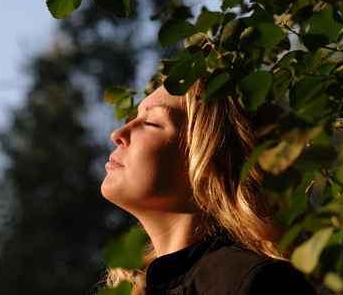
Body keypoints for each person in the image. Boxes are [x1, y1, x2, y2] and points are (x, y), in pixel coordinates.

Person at [100, 77, 316, 294]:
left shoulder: (259, 283)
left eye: (151, 123)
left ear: (208, 161)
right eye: (137, 117)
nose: (117, 134)